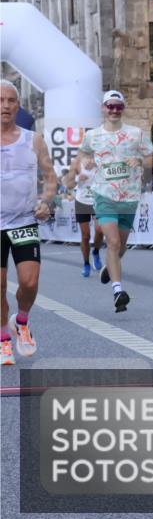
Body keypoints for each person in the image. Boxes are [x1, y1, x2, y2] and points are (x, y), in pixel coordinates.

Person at [77, 90, 153, 313]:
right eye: (110, 106)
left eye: (118, 106)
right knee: (112, 242)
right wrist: (88, 161)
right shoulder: (92, 136)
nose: (113, 110)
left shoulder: (136, 134)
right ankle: (118, 290)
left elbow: (150, 156)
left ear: (123, 109)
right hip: (103, 195)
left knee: (120, 247)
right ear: (103, 108)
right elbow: (83, 153)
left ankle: (110, 268)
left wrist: (139, 161)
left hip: (129, 197)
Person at [1, 80, 57, 365]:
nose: (5, 106)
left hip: (24, 221)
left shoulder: (33, 139)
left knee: (30, 282)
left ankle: (21, 320)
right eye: (0, 100)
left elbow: (50, 178)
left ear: (18, 105)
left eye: (11, 101)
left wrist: (46, 201)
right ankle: (3, 340)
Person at [66, 153, 105, 277]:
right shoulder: (77, 162)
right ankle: (86, 263)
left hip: (97, 200)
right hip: (82, 201)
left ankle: (96, 252)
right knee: (86, 235)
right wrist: (77, 179)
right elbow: (68, 184)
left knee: (100, 230)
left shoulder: (101, 159)